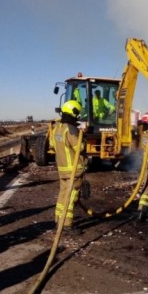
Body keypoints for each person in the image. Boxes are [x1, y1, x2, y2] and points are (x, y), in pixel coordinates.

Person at [50, 100, 86, 234]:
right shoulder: (71, 130)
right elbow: (79, 148)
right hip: (74, 170)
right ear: (74, 112)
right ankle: (67, 225)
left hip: (63, 169)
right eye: (77, 114)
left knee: (63, 194)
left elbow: (52, 146)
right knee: (71, 197)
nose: (78, 117)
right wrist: (83, 137)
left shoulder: (57, 128)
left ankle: (58, 220)